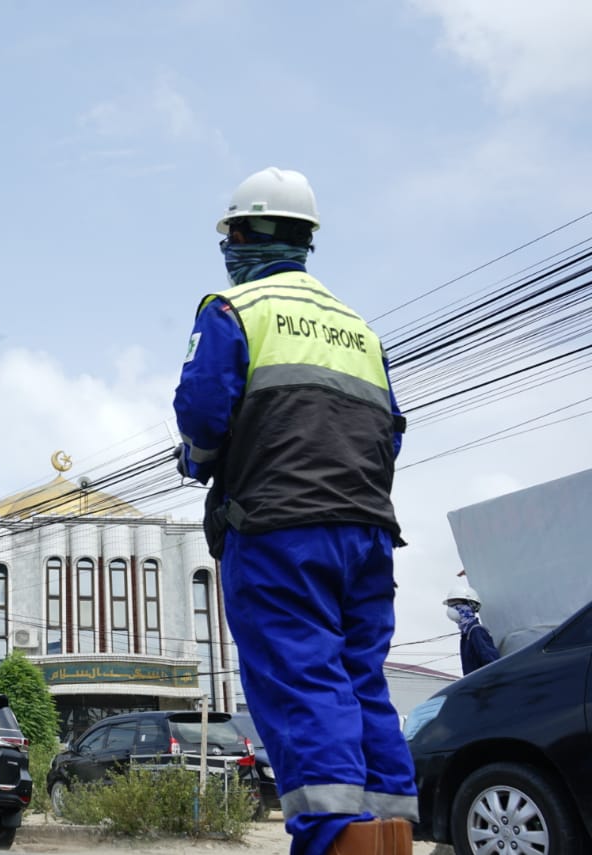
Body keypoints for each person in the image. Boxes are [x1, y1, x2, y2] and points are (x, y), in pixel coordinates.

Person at [173, 167, 416, 855]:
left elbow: (200, 413)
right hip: (367, 532)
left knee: (301, 675)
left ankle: (335, 839)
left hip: (279, 530)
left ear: (241, 236)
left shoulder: (233, 309)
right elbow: (390, 428)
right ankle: (392, 830)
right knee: (359, 678)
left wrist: (200, 460)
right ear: (308, 239)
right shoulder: (359, 329)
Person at [443, 583, 501, 675]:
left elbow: (493, 664)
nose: (452, 609)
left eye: (456, 604)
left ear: (471, 606)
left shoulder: (477, 631)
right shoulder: (466, 634)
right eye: (450, 605)